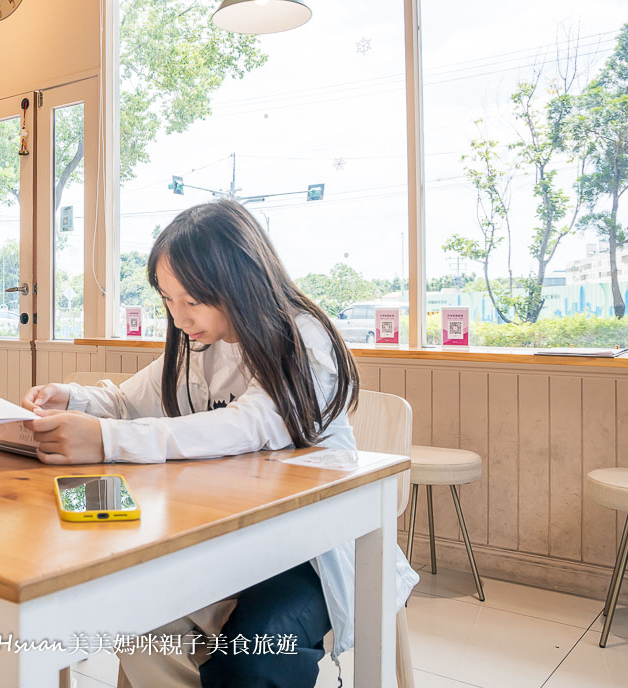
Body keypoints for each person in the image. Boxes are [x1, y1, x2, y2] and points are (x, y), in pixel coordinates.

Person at [20, 201, 418, 687]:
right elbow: (129, 401)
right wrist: (75, 399)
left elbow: (248, 425)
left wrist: (106, 439)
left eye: (193, 299)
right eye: (168, 299)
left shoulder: (303, 337)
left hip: (308, 545)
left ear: (241, 279)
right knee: (136, 617)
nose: (180, 316)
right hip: (229, 536)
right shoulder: (199, 342)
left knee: (256, 651)